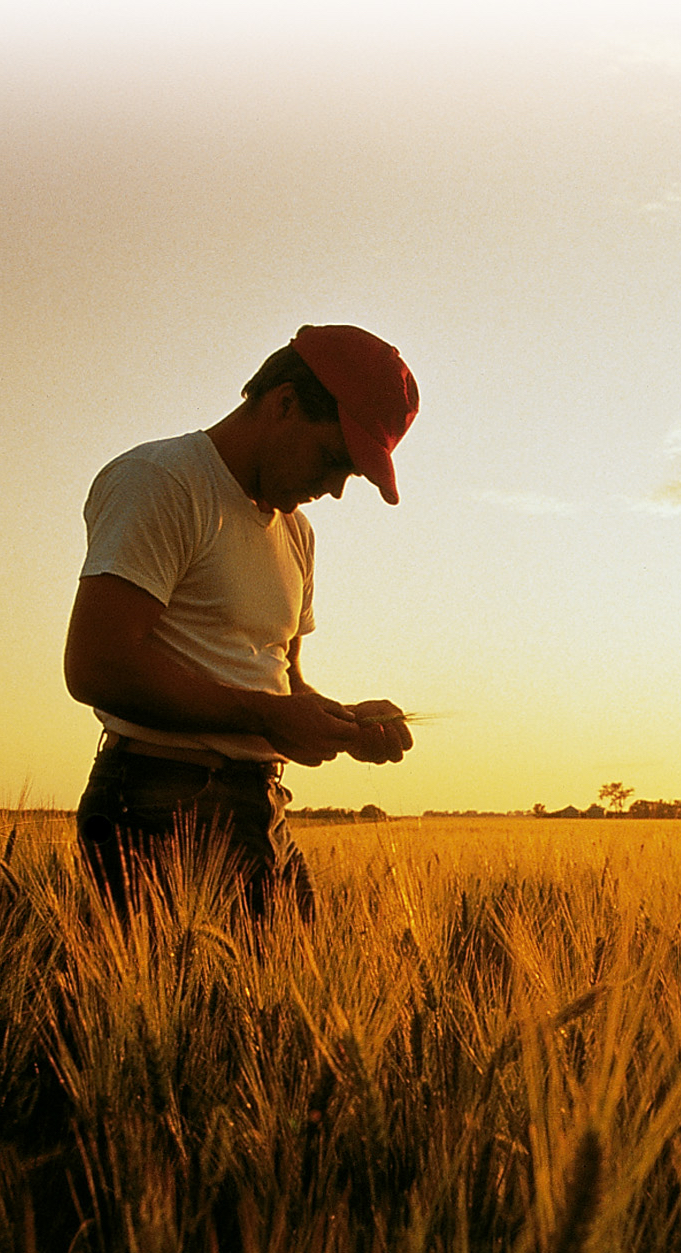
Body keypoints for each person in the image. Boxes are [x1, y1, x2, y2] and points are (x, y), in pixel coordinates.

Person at [63, 324, 419, 917]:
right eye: (334, 459)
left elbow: (282, 683)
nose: (334, 489)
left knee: (285, 999)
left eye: (351, 475)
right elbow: (97, 666)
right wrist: (271, 715)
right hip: (162, 801)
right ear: (282, 403)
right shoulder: (162, 481)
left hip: (263, 804)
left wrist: (347, 724)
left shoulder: (296, 534)